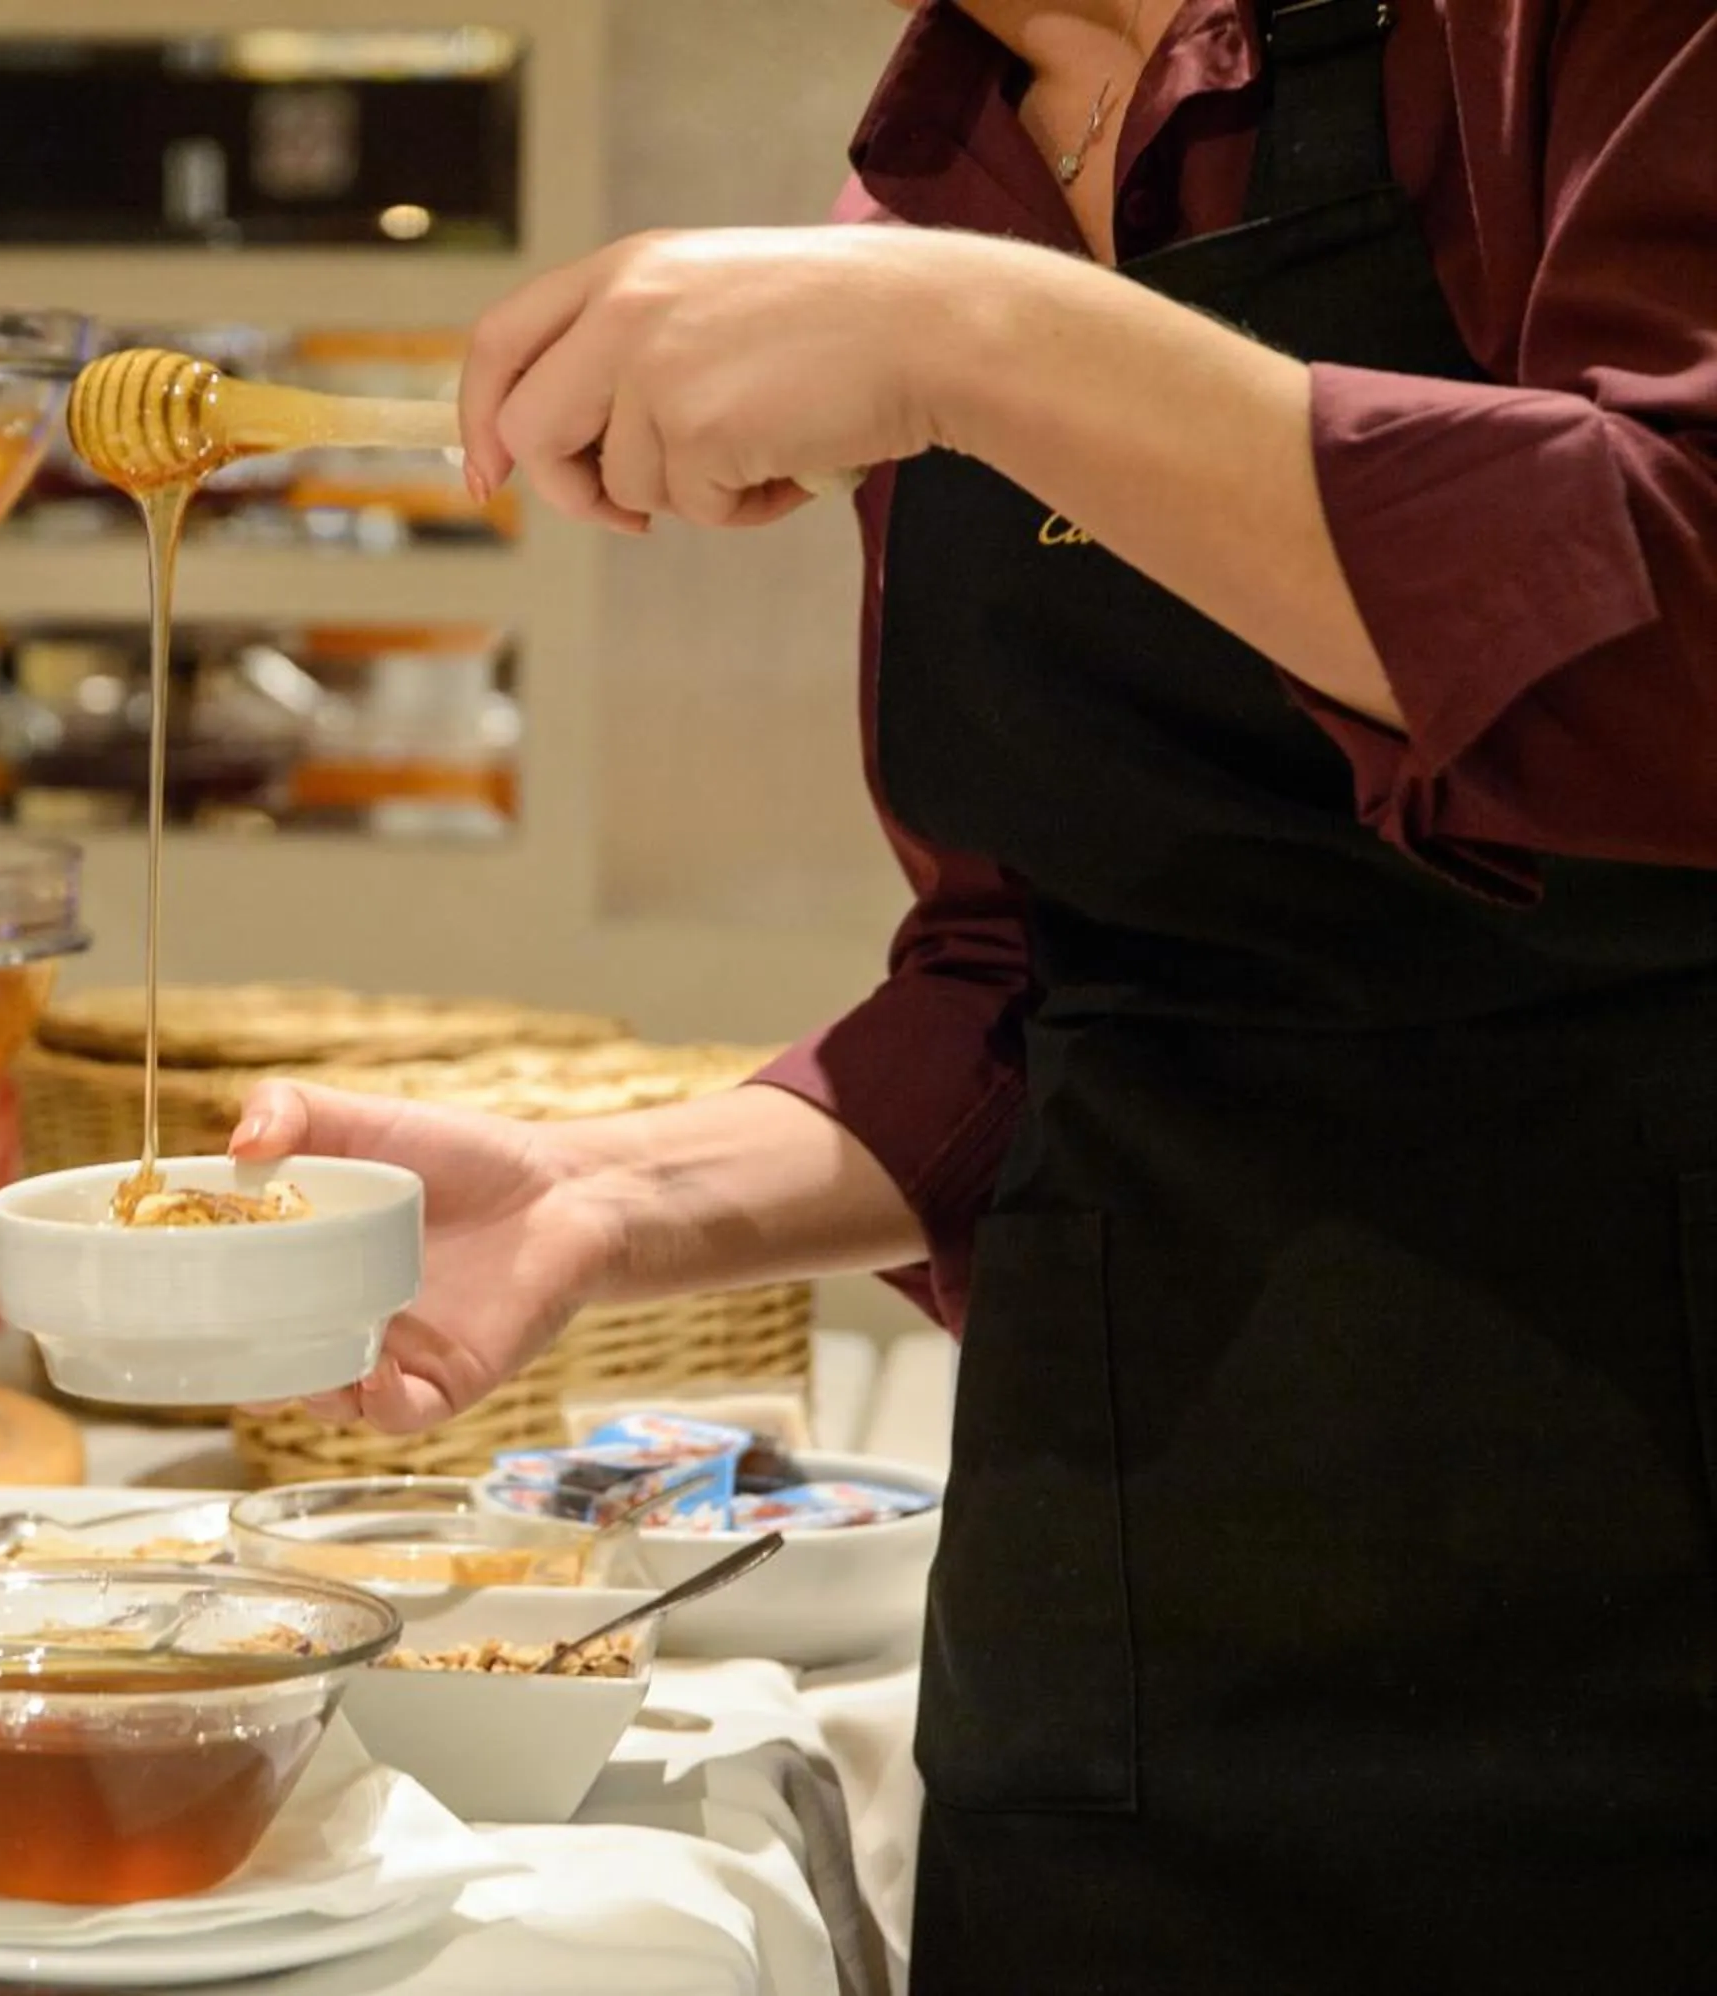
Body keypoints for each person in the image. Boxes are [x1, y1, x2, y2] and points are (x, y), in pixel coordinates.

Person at [231, 1, 1717, 1989]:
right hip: (1126, 1677)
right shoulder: (938, 177)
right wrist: (601, 1194)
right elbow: (1035, 969)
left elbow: (1677, 632)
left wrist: (971, 340)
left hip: (1650, 1622)